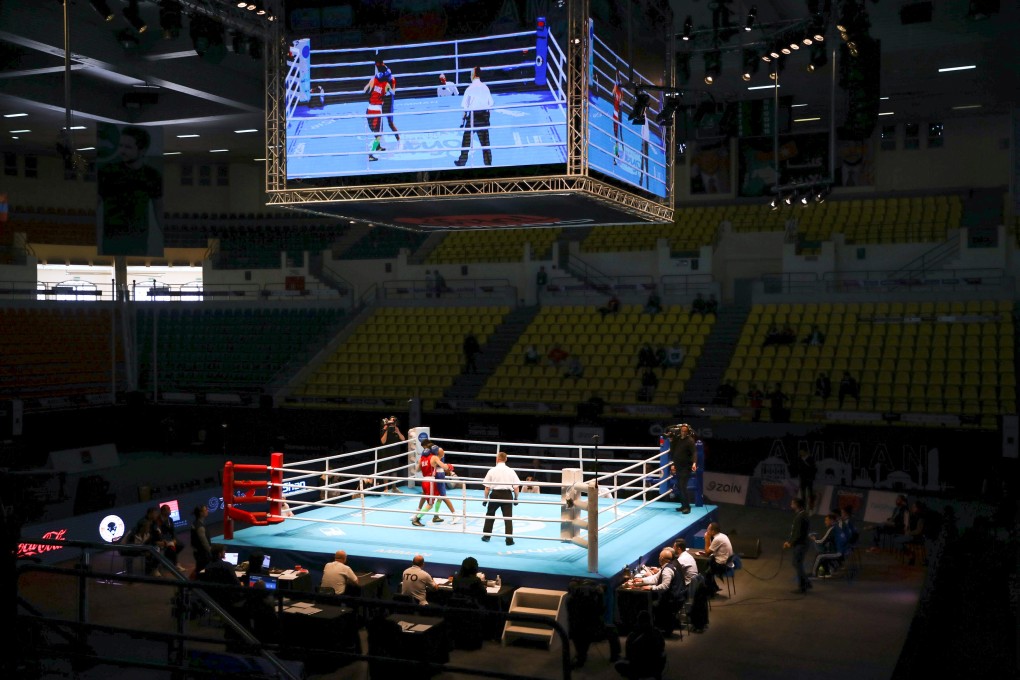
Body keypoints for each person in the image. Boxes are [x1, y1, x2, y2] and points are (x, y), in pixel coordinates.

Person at [97, 125, 164, 257]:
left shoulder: (152, 176)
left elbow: (159, 209)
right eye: (121, 146)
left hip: (138, 243)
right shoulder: (107, 172)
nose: (122, 150)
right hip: (111, 241)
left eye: (128, 147)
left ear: (142, 150)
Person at [630, 548, 681, 635]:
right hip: (673, 597)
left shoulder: (667, 570)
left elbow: (664, 587)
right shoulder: (667, 567)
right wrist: (641, 581)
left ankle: (651, 628)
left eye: (660, 557)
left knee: (645, 603)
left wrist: (651, 588)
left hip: (671, 600)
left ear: (661, 559)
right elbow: (655, 578)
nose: (659, 558)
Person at [454, 66, 493, 167]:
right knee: (485, 142)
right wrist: (487, 118)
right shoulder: (485, 87)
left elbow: (465, 108)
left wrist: (462, 122)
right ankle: (488, 163)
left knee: (466, 140)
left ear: (474, 74)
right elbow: (490, 104)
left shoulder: (469, 89)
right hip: (484, 117)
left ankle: (462, 161)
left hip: (473, 117)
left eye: (471, 73)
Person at [481, 451, 521, 546]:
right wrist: (516, 499)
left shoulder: (492, 470)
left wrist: (485, 499)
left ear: (497, 459)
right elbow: (516, 487)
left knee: (490, 514)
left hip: (495, 494)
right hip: (507, 495)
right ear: (506, 459)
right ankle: (509, 539)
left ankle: (486, 536)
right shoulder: (511, 471)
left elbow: (487, 488)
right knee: (508, 518)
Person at [411, 439, 455, 525]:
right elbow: (444, 467)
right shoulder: (434, 457)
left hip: (424, 480)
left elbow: (417, 469)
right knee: (430, 504)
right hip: (430, 481)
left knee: (439, 495)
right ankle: (417, 518)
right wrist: (450, 467)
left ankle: (436, 515)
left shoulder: (422, 458)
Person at [614, 610, 665, 680]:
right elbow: (662, 648)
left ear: (638, 621)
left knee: (618, 664)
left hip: (637, 669)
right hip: (653, 668)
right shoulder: (657, 633)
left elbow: (628, 655)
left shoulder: (632, 635)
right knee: (663, 656)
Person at [362, 60, 395, 161]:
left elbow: (364, 90)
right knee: (379, 135)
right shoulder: (386, 85)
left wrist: (370, 84)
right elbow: (393, 93)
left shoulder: (374, 80)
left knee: (376, 131)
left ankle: (378, 146)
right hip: (377, 111)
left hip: (369, 109)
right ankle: (371, 154)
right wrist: (393, 83)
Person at [783, 496, 812, 594]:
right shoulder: (803, 514)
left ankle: (803, 585)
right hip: (802, 543)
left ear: (796, 505)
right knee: (797, 563)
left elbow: (798, 533)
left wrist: (790, 543)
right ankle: (806, 583)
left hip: (801, 545)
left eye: (792, 503)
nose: (791, 505)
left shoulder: (800, 517)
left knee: (797, 563)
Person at [666, 423, 696, 514]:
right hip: (678, 467)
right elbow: (673, 450)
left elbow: (694, 453)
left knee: (683, 487)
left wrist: (694, 463)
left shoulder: (690, 440)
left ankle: (687, 507)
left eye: (685, 431)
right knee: (679, 487)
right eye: (682, 431)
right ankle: (683, 505)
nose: (683, 432)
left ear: (688, 432)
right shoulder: (678, 439)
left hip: (686, 468)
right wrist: (671, 438)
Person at [701, 522, 733, 595]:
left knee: (706, 572)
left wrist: (707, 539)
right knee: (708, 564)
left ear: (713, 531)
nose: (706, 530)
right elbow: (710, 550)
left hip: (723, 565)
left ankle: (710, 592)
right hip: (728, 562)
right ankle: (714, 587)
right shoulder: (722, 535)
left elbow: (707, 553)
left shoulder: (717, 539)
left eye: (708, 529)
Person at [810, 513, 842, 577]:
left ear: (832, 520)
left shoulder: (832, 529)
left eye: (827, 520)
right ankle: (827, 572)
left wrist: (814, 539)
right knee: (823, 553)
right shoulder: (837, 527)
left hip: (837, 552)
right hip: (840, 551)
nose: (825, 522)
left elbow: (822, 541)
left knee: (819, 556)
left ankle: (813, 574)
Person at [156, 504, 184, 571]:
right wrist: (166, 541)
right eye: (168, 509)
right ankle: (176, 564)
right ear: (163, 511)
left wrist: (174, 539)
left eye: (169, 509)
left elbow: (173, 531)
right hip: (162, 540)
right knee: (172, 548)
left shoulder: (170, 519)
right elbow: (158, 533)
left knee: (180, 545)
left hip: (170, 538)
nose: (170, 510)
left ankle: (167, 559)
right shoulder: (158, 520)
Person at [189, 504, 212, 576]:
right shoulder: (200, 527)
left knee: (199, 569)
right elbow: (204, 542)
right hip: (202, 554)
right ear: (201, 513)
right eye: (206, 510)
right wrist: (211, 552)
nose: (207, 511)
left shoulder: (195, 523)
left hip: (198, 552)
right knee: (201, 570)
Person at [611, 71, 624, 164]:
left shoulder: (618, 91)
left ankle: (615, 156)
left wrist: (617, 77)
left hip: (616, 115)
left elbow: (613, 92)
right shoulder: (619, 92)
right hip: (616, 115)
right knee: (616, 137)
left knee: (616, 137)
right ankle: (615, 156)